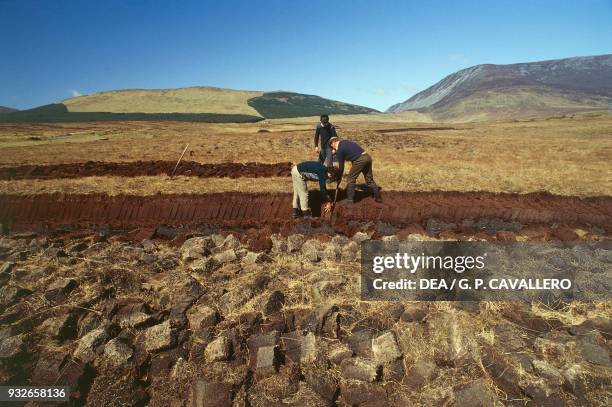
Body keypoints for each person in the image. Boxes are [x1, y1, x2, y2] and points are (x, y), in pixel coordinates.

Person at [329, 137, 382, 203]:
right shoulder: (346, 142)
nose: (332, 148)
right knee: (369, 180)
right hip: (367, 157)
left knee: (350, 179)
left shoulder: (340, 150)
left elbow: (341, 167)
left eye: (331, 146)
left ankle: (350, 200)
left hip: (360, 160)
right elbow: (353, 154)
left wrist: (339, 176)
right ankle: (378, 197)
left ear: (333, 143)